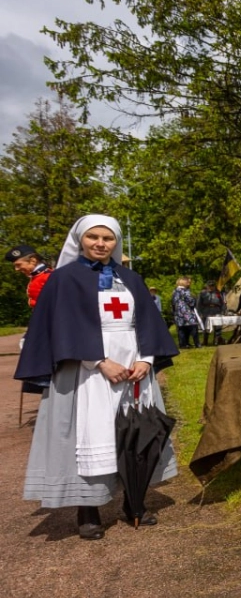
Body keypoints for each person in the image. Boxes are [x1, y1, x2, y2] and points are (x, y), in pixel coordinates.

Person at [14, 215, 179, 539]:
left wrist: (146, 359)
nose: (101, 243)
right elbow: (62, 327)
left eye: (108, 238)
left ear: (115, 243)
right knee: (91, 436)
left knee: (136, 432)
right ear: (80, 239)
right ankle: (87, 510)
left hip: (133, 369)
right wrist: (99, 361)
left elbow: (146, 320)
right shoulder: (63, 280)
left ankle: (134, 501)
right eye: (94, 237)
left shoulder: (130, 278)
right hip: (88, 373)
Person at [171, 276, 201, 349]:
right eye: (188, 282)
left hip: (178, 313)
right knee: (193, 328)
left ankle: (183, 344)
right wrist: (194, 301)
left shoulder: (174, 291)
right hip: (187, 312)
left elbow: (173, 303)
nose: (189, 284)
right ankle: (197, 343)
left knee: (181, 329)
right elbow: (190, 301)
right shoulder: (185, 291)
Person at [197, 279, 225, 346]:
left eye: (212, 286)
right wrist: (199, 313)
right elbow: (198, 304)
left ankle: (216, 341)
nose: (211, 287)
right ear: (207, 286)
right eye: (209, 286)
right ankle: (205, 341)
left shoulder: (218, 293)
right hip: (206, 311)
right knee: (206, 327)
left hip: (216, 310)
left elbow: (222, 303)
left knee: (218, 327)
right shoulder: (202, 293)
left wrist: (223, 311)